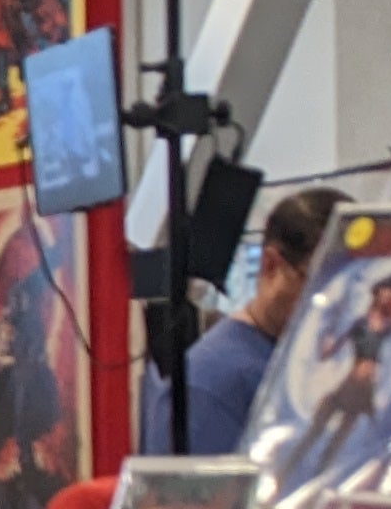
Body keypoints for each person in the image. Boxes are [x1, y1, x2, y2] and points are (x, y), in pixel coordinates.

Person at [143, 183, 341, 456]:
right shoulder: (208, 388)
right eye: (321, 285)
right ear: (271, 266)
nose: (335, 307)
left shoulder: (314, 362)